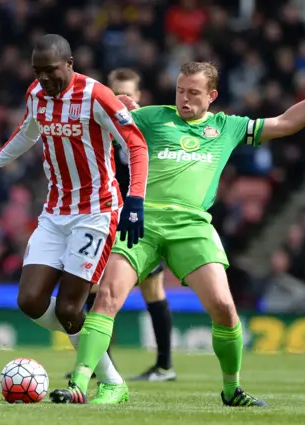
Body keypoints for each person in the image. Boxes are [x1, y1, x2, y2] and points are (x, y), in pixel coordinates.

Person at [50, 57, 305, 405]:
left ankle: (232, 390)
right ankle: (78, 384)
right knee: (107, 299)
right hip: (142, 221)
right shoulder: (152, 117)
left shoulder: (228, 127)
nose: (184, 98)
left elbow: (288, 122)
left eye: (193, 93)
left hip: (192, 226)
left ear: (212, 94)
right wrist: (113, 105)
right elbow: (102, 123)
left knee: (225, 308)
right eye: (180, 90)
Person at [0, 34, 149, 397]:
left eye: (50, 70)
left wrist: (135, 200)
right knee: (29, 301)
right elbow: (28, 132)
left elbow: (136, 144)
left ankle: (107, 383)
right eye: (37, 71)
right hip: (55, 212)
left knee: (69, 307)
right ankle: (104, 368)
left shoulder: (96, 96)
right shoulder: (36, 94)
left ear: (70, 64)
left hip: (96, 211)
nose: (44, 78)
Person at [64, 68, 176, 382]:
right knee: (95, 285)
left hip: (141, 217)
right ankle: (101, 364)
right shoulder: (98, 124)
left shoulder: (150, 129)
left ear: (139, 98)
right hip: (105, 213)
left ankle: (165, 366)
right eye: (116, 93)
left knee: (152, 289)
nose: (123, 98)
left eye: (128, 94)